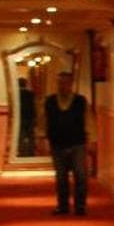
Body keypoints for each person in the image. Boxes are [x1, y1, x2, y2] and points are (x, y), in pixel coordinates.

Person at [37, 71, 95, 216]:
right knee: (61, 177)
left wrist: (92, 140)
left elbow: (89, 122)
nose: (62, 86)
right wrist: (41, 139)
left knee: (80, 175)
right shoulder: (49, 101)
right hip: (57, 144)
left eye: (65, 83)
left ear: (71, 84)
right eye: (60, 83)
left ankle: (80, 206)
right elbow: (43, 122)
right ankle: (62, 206)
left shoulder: (81, 101)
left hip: (77, 143)